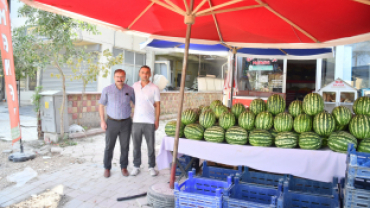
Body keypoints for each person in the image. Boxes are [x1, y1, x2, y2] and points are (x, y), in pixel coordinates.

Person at [99, 69, 135, 178]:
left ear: (125, 77)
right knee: (109, 146)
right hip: (111, 123)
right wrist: (102, 121)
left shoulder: (130, 90)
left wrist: (133, 113)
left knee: (125, 146)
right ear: (114, 77)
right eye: (117, 77)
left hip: (126, 123)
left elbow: (135, 103)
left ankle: (124, 167)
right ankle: (107, 168)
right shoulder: (107, 90)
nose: (120, 79)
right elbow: (101, 105)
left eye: (122, 76)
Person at [131, 65, 160, 177]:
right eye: (143, 72)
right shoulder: (134, 86)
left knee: (150, 146)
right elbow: (131, 100)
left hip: (149, 121)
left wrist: (157, 120)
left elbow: (157, 105)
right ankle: (136, 166)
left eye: (147, 72)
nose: (145, 74)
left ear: (150, 74)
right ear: (139, 74)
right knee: (136, 145)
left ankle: (151, 167)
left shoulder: (154, 88)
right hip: (137, 121)